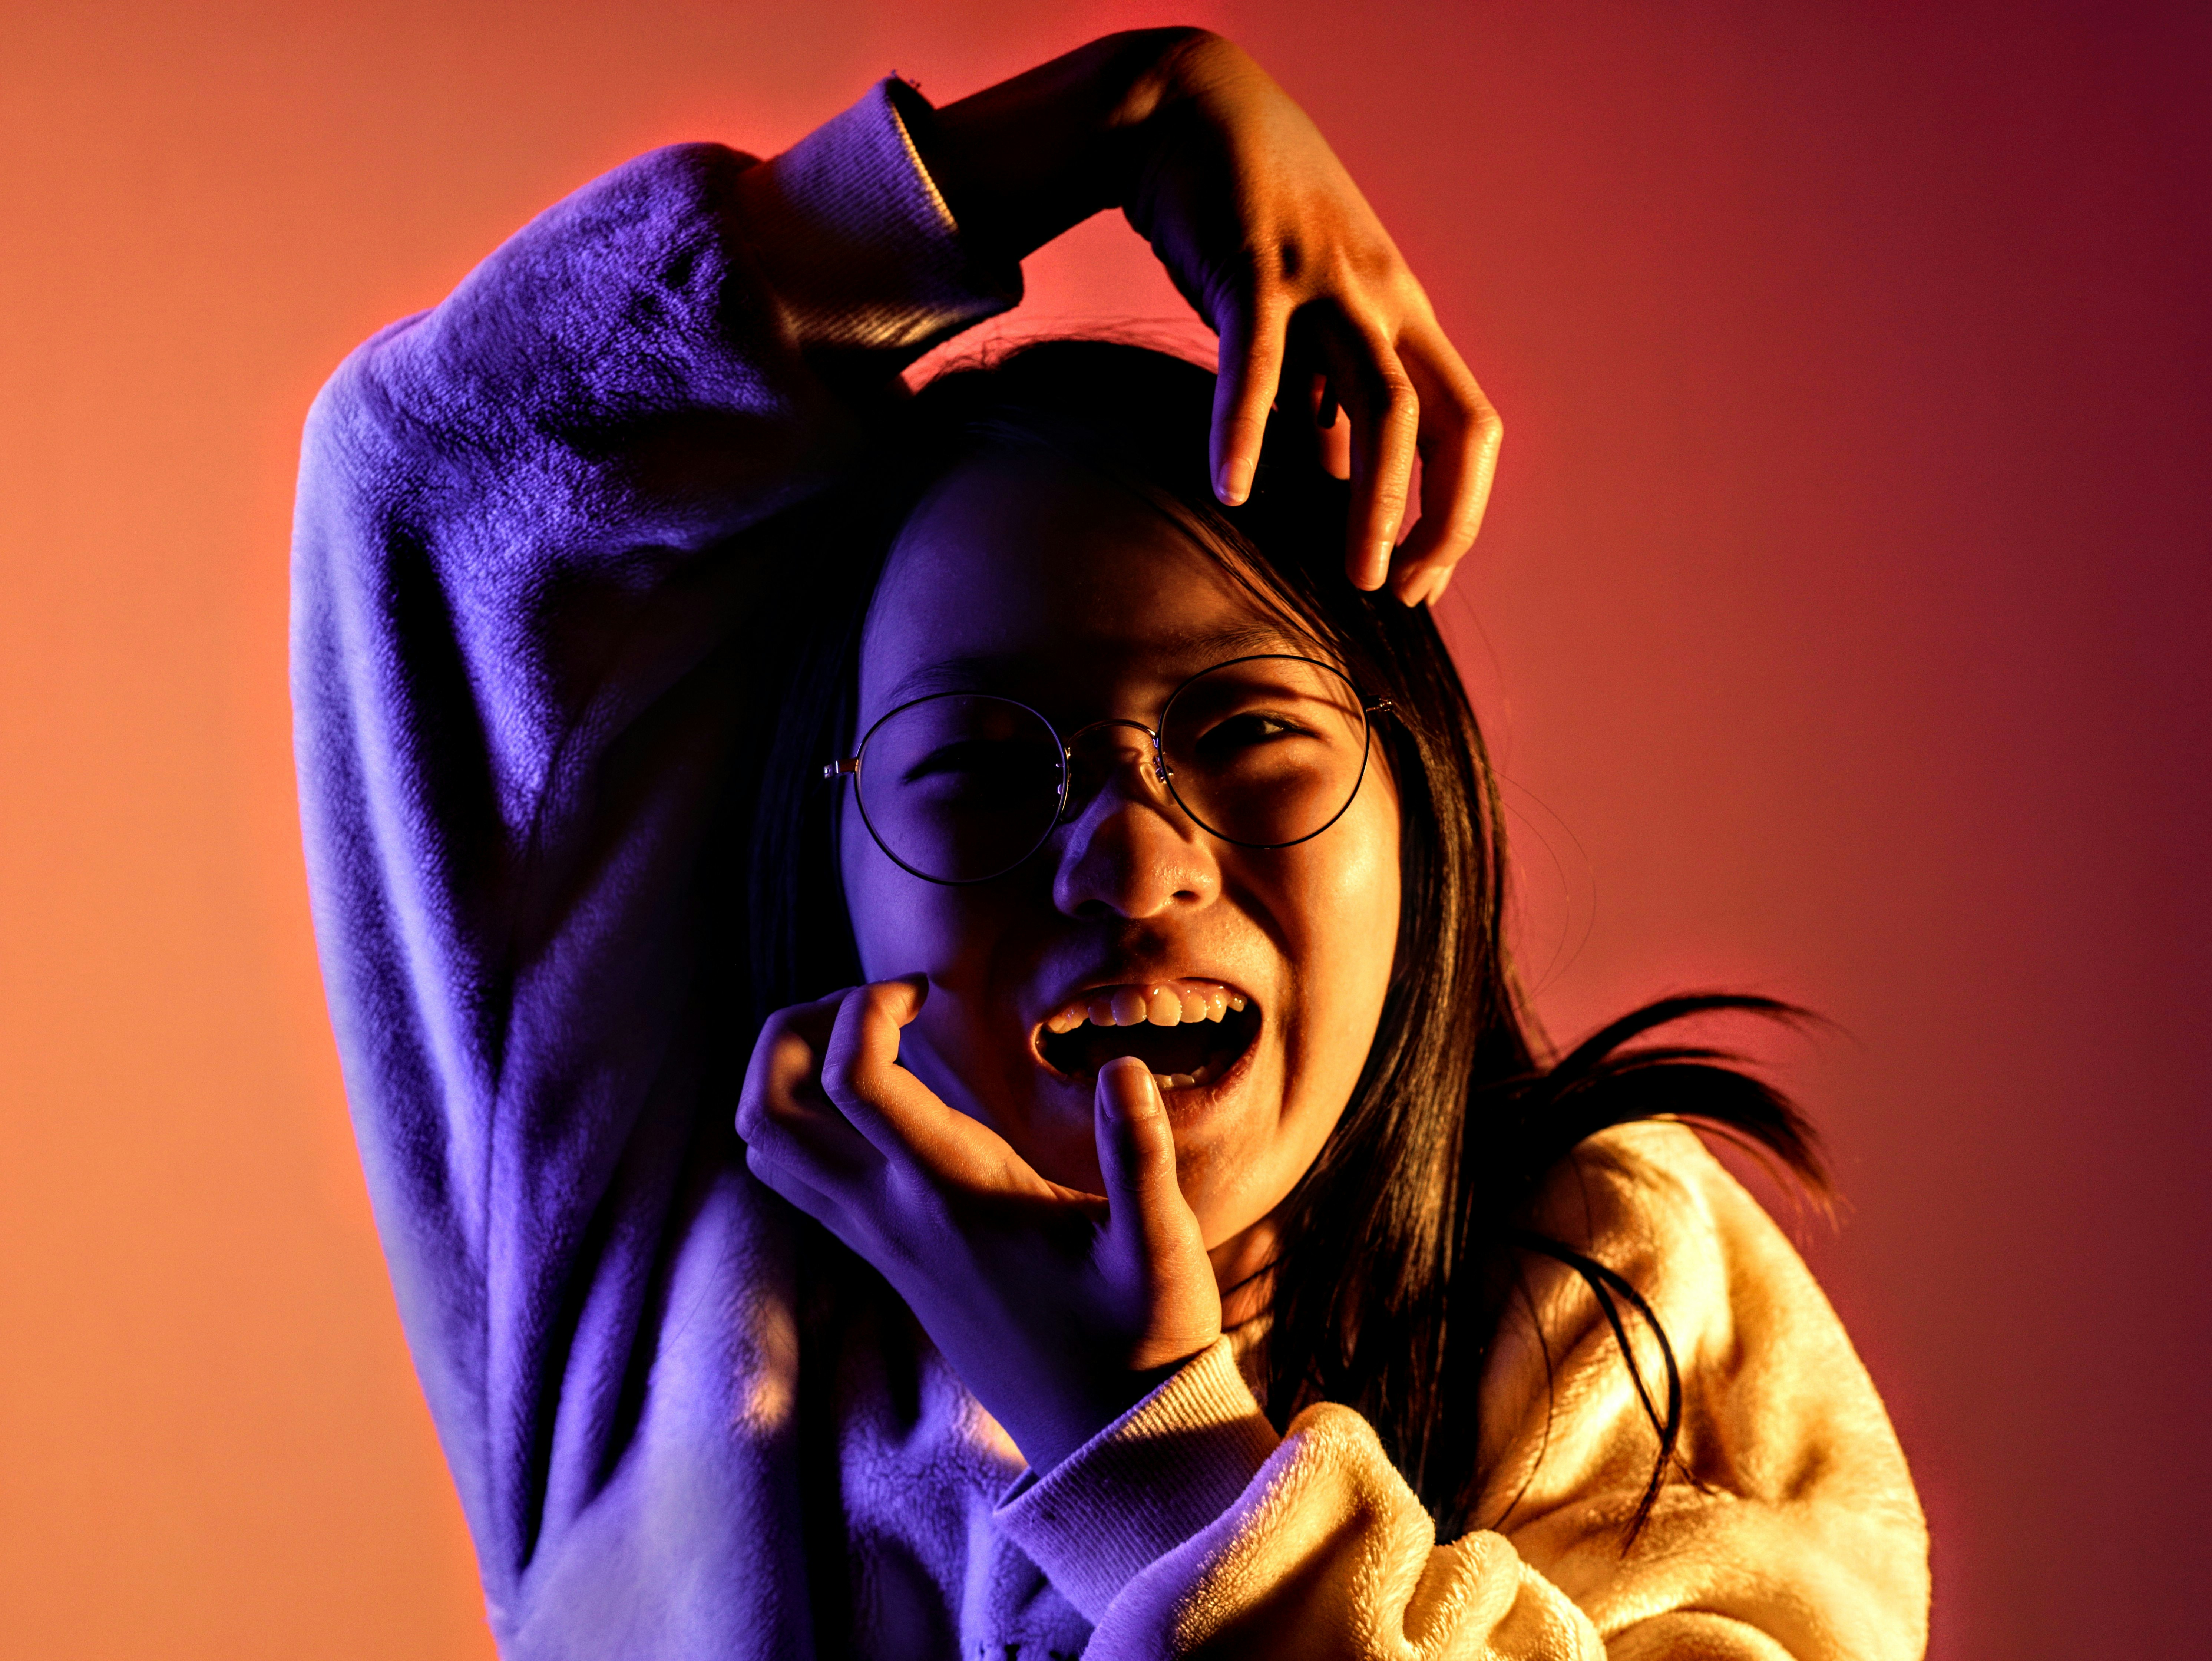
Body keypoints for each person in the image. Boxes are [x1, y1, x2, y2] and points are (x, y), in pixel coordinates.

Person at [292, 27, 1928, 1660]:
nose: (1135, 869)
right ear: (839, 849)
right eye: (984, 768)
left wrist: (1154, 1461)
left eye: (1248, 739)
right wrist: (1098, 130)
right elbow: (446, 480)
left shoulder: (1603, 1288)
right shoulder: (669, 1275)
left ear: (1419, 817)